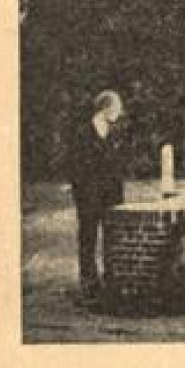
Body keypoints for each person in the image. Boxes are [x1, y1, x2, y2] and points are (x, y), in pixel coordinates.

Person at [69, 90, 127, 303]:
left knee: (112, 237)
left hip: (111, 196)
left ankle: (111, 280)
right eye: (118, 108)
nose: (120, 113)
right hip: (89, 196)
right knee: (88, 238)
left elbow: (119, 165)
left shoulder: (117, 132)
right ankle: (89, 284)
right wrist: (83, 193)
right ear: (106, 108)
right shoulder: (81, 133)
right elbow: (75, 166)